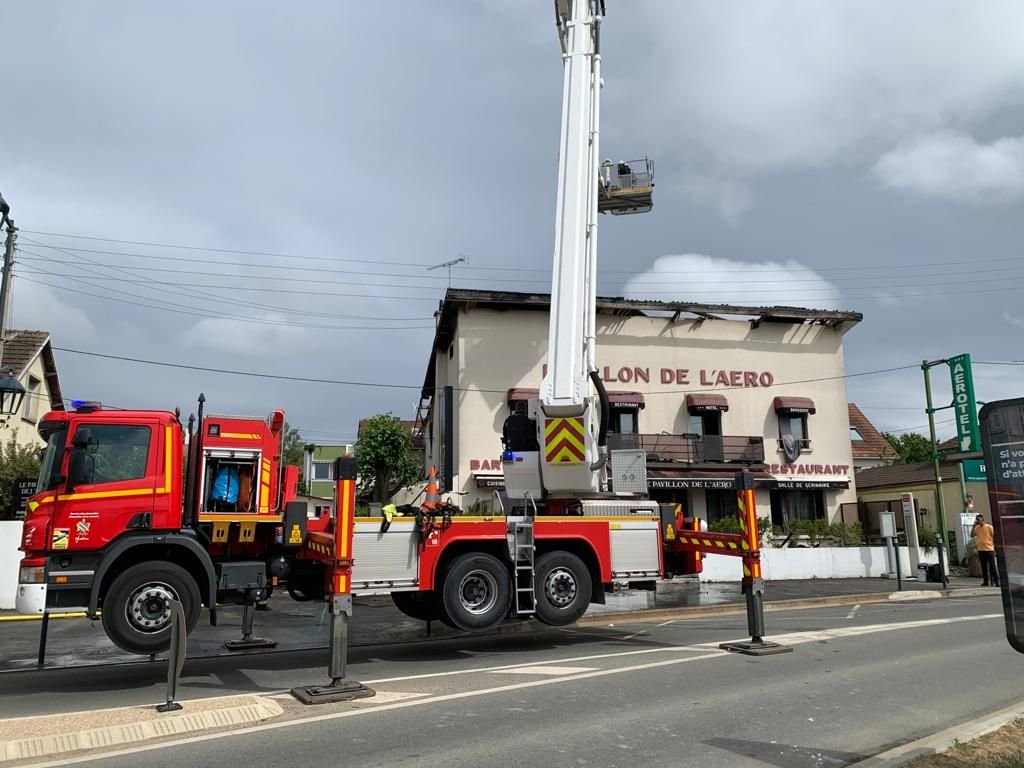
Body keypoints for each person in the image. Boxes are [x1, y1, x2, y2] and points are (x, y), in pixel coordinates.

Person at [971, 513, 999, 587]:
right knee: (984, 567)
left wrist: (995, 548)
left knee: (992, 566)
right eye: (977, 520)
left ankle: (996, 581)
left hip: (989, 549)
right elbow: (972, 535)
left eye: (979, 520)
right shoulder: (977, 528)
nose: (978, 521)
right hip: (981, 549)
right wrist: (973, 526)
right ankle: (986, 581)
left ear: (983, 520)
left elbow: (994, 536)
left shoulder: (989, 527)